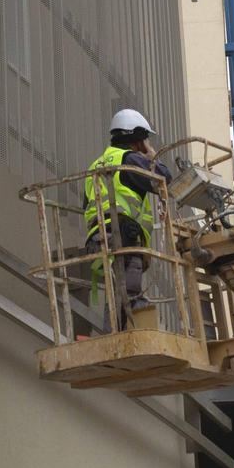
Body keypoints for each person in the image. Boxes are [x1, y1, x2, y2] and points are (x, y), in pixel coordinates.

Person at [83, 109, 173, 329]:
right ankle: (115, 337)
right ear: (138, 137)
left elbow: (86, 205)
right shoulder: (129, 159)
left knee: (118, 292)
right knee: (129, 295)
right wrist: (151, 155)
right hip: (122, 236)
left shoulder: (95, 165)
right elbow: (164, 178)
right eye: (145, 139)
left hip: (96, 239)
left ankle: (114, 333)